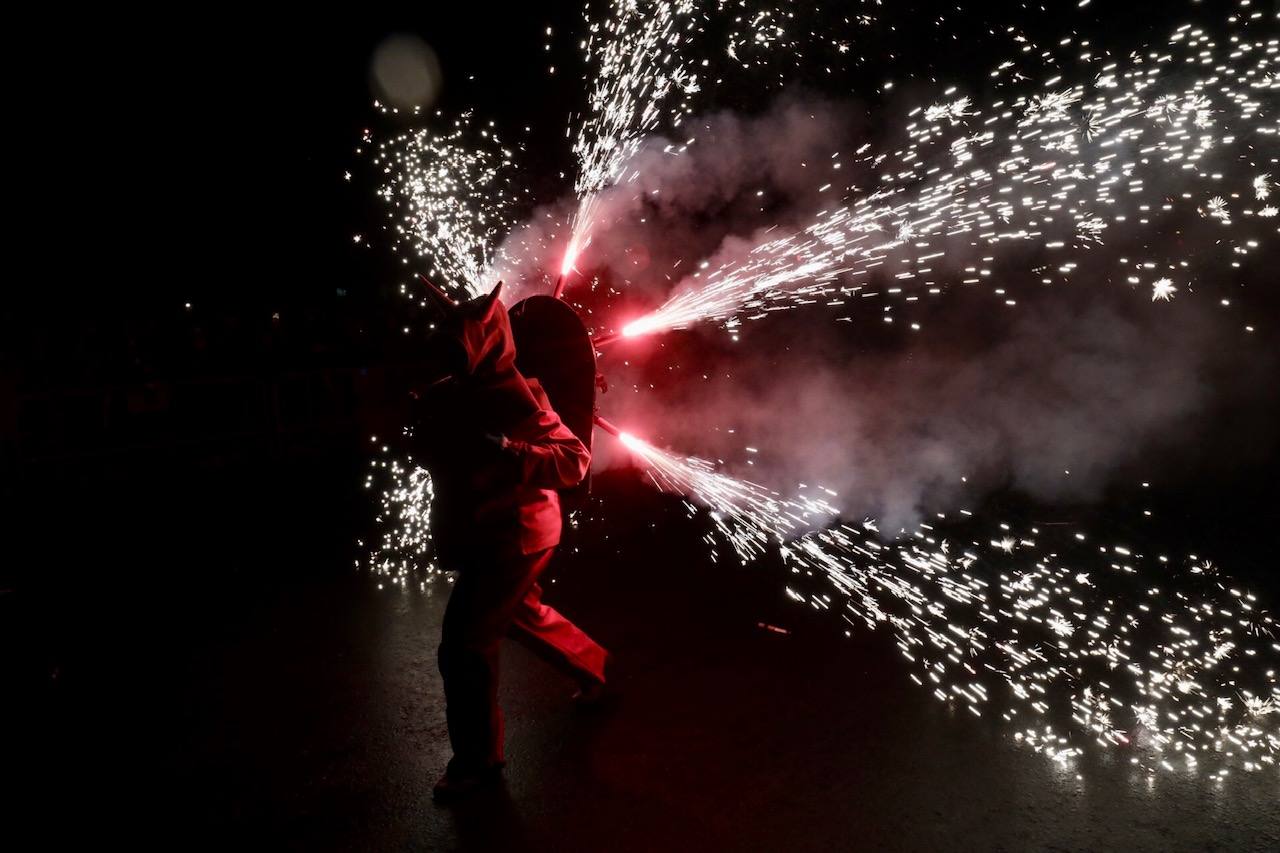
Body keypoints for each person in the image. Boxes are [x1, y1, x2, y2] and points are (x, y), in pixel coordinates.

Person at [408, 280, 609, 801]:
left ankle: (479, 765)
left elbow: (573, 459)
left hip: (515, 538)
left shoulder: (514, 395)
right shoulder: (456, 391)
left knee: (465, 647)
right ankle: (596, 668)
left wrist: (510, 448)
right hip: (500, 534)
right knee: (521, 614)